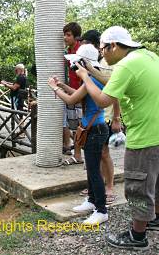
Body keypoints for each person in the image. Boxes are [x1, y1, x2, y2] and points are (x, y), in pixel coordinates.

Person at [75, 26, 159, 250]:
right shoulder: (148, 56)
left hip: (146, 136)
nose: (102, 54)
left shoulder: (126, 65)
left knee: (137, 186)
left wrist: (85, 76)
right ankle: (157, 218)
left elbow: (103, 100)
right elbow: (113, 77)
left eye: (103, 49)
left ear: (113, 45)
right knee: (157, 180)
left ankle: (137, 236)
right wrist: (92, 71)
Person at [48, 44, 110, 225]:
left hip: (95, 130)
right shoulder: (94, 76)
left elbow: (71, 99)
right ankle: (92, 201)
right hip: (94, 129)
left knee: (94, 171)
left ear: (83, 62)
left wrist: (54, 87)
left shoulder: (92, 77)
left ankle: (101, 210)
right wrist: (62, 85)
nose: (74, 67)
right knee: (91, 170)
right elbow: (79, 94)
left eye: (76, 63)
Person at [78, 30, 121, 204]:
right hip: (100, 114)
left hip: (107, 115)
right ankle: (97, 188)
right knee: (99, 154)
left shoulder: (106, 64)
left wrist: (117, 118)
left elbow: (115, 92)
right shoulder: (94, 66)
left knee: (105, 154)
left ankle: (108, 187)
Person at [62, 22, 84, 164]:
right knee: (75, 126)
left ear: (76, 37)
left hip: (80, 93)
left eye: (68, 35)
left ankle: (78, 154)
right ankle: (77, 154)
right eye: (65, 34)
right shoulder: (69, 51)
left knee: (80, 126)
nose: (65, 37)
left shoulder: (80, 51)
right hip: (72, 92)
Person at [1, 63, 28, 138]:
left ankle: (22, 133)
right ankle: (18, 131)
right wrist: (6, 83)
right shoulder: (22, 76)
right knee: (18, 114)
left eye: (16, 69)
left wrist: (5, 85)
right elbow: (15, 84)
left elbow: (14, 88)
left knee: (18, 114)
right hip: (18, 97)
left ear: (19, 69)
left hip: (17, 98)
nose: (15, 71)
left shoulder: (21, 77)